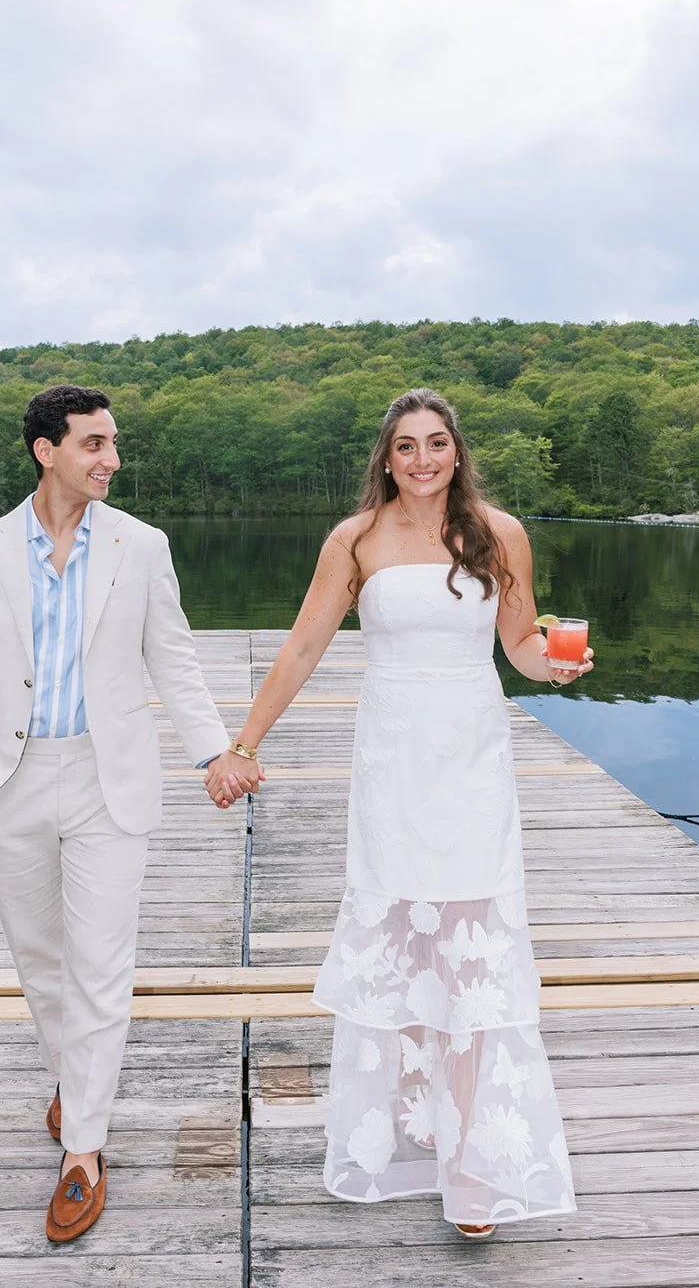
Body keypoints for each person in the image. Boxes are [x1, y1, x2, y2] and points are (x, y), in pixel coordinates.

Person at [206, 387, 587, 1236]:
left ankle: (470, 1164)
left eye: (437, 443)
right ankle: (411, 1137)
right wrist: (245, 743)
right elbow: (304, 644)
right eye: (406, 445)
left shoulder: (498, 532)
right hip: (393, 766)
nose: (422, 459)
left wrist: (553, 666)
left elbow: (520, 645)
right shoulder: (354, 539)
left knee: (469, 954)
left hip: (471, 761)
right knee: (407, 948)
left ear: (457, 451)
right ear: (385, 456)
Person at [0, 384, 261, 1243]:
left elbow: (176, 660)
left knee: (100, 965)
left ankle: (83, 1147)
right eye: (93, 444)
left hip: (105, 777)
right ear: (46, 451)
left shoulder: (140, 546)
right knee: (40, 959)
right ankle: (73, 1079)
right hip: (8, 777)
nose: (110, 459)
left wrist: (214, 752)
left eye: (113, 443)